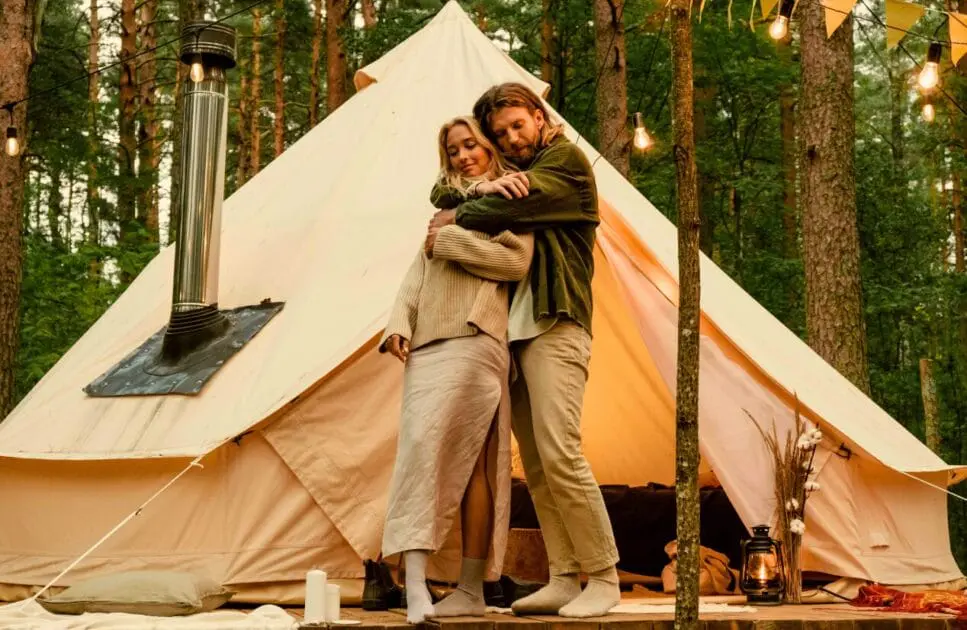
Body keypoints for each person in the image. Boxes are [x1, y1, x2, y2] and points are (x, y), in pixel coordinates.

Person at [427, 83, 621, 619]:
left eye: (519, 125)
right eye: (502, 133)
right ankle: (563, 576)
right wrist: (473, 194)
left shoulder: (566, 161)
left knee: (561, 451)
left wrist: (460, 215)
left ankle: (604, 575)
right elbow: (442, 191)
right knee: (536, 464)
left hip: (557, 320)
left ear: (539, 115)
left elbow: (515, 204)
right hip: (514, 334)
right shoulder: (513, 170)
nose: (512, 138)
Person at [379, 116, 534, 624]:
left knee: (472, 466)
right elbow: (418, 269)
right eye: (454, 149)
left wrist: (448, 239)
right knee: (419, 453)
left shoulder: (510, 199)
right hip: (428, 342)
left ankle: (468, 586)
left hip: (475, 334)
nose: (464, 155)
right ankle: (417, 584)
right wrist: (398, 322)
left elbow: (514, 263)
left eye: (472, 145)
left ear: (491, 149)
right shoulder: (446, 211)